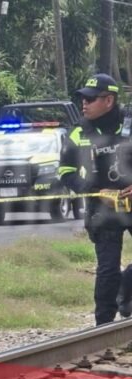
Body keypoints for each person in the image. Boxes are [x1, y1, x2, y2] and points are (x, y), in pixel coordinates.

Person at [58, 74, 132, 325]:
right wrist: (87, 188)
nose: (84, 104)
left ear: (109, 100)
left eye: (90, 99)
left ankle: (127, 288)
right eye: (82, 99)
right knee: (108, 268)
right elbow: (65, 171)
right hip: (102, 207)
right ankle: (103, 327)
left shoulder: (129, 123)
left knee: (120, 275)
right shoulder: (79, 131)